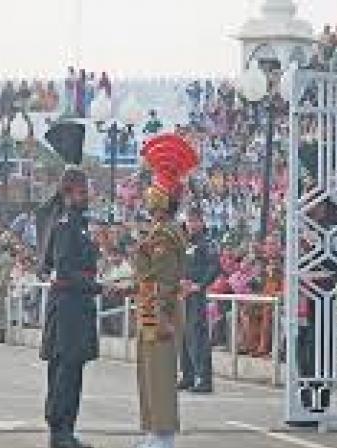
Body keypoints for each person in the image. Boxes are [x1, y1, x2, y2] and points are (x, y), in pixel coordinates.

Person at [131, 134, 199, 448]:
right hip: (152, 306)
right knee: (149, 374)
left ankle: (163, 434)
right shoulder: (163, 232)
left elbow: (157, 278)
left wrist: (159, 316)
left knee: (159, 375)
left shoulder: (163, 235)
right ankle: (153, 431)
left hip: (159, 310)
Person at [37, 121, 99, 448]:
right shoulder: (66, 224)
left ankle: (65, 431)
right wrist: (97, 286)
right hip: (69, 309)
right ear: (70, 192)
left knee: (71, 372)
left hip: (75, 309)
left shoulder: (77, 223)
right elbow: (63, 271)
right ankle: (59, 432)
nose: (88, 196)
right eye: (83, 191)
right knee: (64, 373)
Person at [178, 207, 219, 394]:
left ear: (202, 222)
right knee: (185, 336)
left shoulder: (207, 242)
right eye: (189, 220)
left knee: (198, 337)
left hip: (197, 295)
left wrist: (200, 285)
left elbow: (214, 267)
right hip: (183, 293)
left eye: (195, 220)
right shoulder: (185, 242)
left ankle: (204, 379)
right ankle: (188, 376)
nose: (192, 224)